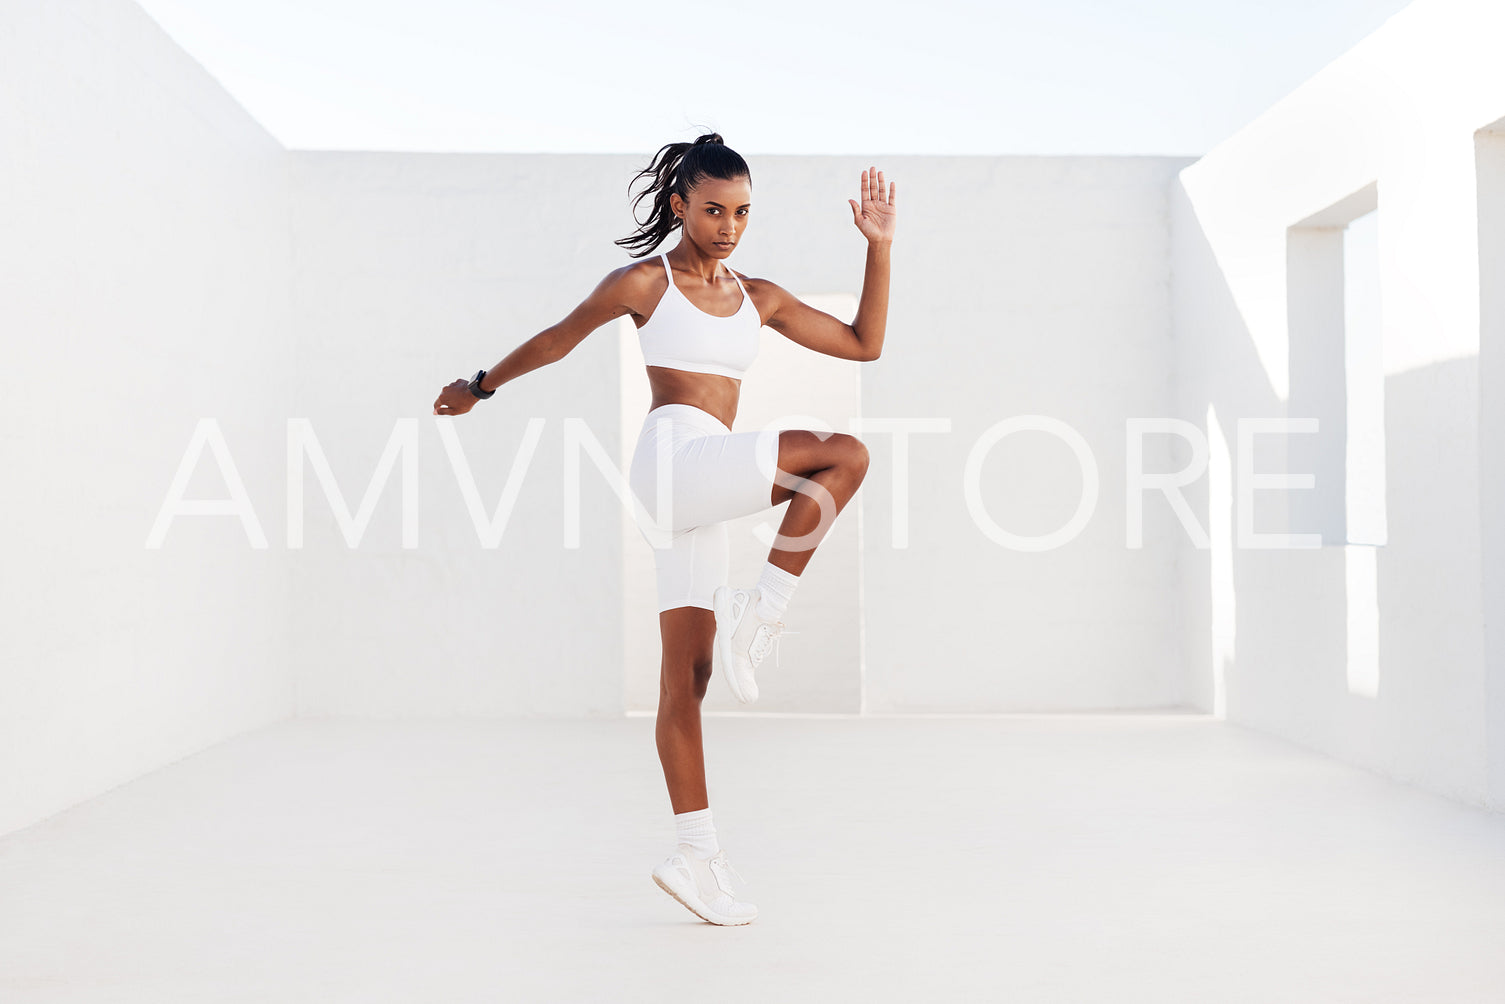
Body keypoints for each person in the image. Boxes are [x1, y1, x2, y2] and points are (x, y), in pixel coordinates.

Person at [431, 133, 895, 925]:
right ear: (679, 205)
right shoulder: (646, 282)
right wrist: (481, 385)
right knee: (841, 455)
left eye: (742, 212)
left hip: (697, 482)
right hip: (676, 459)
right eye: (712, 209)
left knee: (689, 679)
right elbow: (558, 337)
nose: (728, 226)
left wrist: (878, 249)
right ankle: (767, 609)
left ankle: (696, 856)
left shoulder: (762, 297)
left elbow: (863, 344)